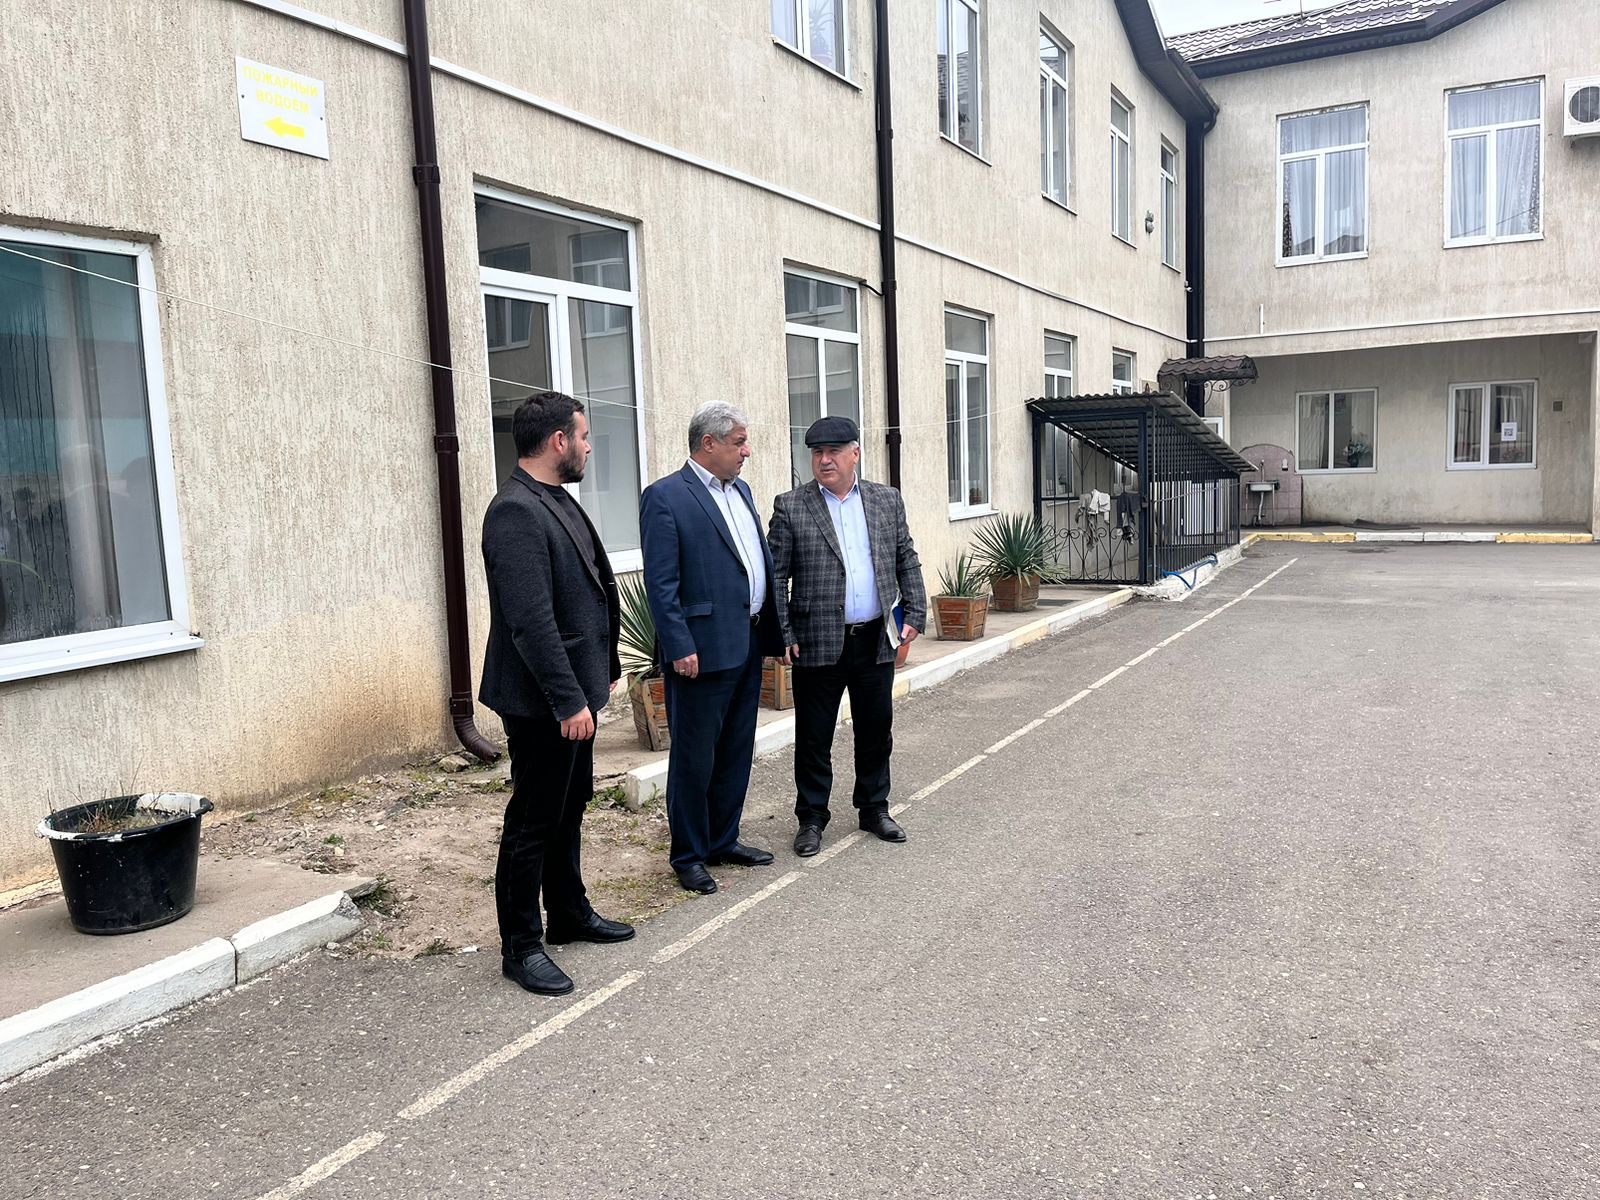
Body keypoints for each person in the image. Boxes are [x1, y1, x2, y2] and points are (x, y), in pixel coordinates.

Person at [478, 391, 634, 997]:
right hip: (541, 699)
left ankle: (568, 913)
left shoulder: (557, 499)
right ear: (558, 441)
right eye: (584, 436)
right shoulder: (514, 511)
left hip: (576, 689)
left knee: (570, 806)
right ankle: (521, 947)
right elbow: (531, 621)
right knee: (533, 819)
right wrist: (568, 700)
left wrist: (605, 667)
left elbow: (591, 589)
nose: (590, 447)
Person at [640, 402, 784, 894]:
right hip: (699, 652)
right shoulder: (665, 497)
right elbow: (662, 584)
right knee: (695, 756)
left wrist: (775, 632)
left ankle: (723, 839)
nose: (747, 451)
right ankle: (689, 855)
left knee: (736, 749)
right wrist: (679, 644)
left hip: (746, 640)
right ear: (709, 443)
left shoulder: (740, 490)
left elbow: (752, 562)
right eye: (739, 442)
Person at [768, 416, 927, 858]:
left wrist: (916, 611)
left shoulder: (885, 500)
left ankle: (874, 808)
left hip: (874, 638)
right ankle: (811, 818)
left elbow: (905, 557)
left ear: (855, 453)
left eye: (834, 451)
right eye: (817, 453)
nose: (825, 460)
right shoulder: (791, 506)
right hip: (816, 639)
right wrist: (782, 633)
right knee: (813, 736)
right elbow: (776, 576)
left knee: (876, 730)